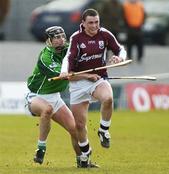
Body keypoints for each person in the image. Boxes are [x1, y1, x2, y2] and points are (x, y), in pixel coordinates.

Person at [60, 9, 127, 167]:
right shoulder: (76, 38)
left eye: (96, 22)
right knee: (79, 126)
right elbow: (69, 57)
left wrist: (119, 58)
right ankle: (85, 156)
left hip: (99, 79)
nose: (94, 25)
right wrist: (64, 71)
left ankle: (104, 130)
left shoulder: (105, 34)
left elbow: (120, 49)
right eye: (90, 22)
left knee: (108, 98)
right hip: (78, 83)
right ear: (83, 23)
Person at [25, 26, 83, 167]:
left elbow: (83, 53)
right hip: (36, 97)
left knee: (75, 129)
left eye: (62, 36)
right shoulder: (45, 57)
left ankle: (82, 161)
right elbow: (65, 76)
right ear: (49, 41)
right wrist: (84, 75)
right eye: (56, 37)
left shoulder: (69, 49)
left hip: (55, 97)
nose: (61, 40)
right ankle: (41, 148)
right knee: (47, 110)